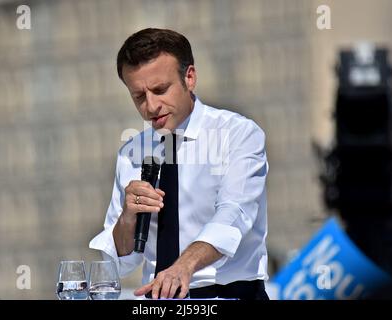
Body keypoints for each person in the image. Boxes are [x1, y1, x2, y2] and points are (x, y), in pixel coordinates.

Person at [89, 28, 269, 300]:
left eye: (160, 90)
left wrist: (183, 267)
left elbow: (234, 214)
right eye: (139, 96)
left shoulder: (238, 134)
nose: (151, 106)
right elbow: (121, 263)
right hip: (157, 300)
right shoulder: (131, 153)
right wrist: (127, 218)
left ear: (190, 77)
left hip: (228, 295)